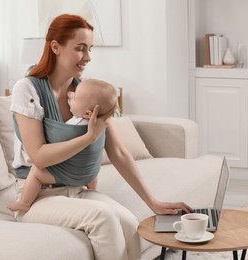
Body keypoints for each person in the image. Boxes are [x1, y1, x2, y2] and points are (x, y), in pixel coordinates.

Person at [10, 13, 192, 260]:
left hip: (74, 187)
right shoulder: (27, 88)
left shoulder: (84, 91)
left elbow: (117, 151)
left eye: (90, 48)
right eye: (80, 48)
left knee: (129, 222)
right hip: (37, 194)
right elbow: (39, 157)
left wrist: (153, 202)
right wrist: (87, 138)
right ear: (55, 47)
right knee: (102, 217)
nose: (88, 57)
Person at [7, 78, 118, 212]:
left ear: (88, 113)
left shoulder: (73, 125)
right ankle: (92, 190)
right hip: (88, 175)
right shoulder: (100, 124)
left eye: (74, 97)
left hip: (66, 175)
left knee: (36, 171)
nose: (69, 95)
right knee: (92, 163)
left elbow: (48, 153)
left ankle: (24, 203)